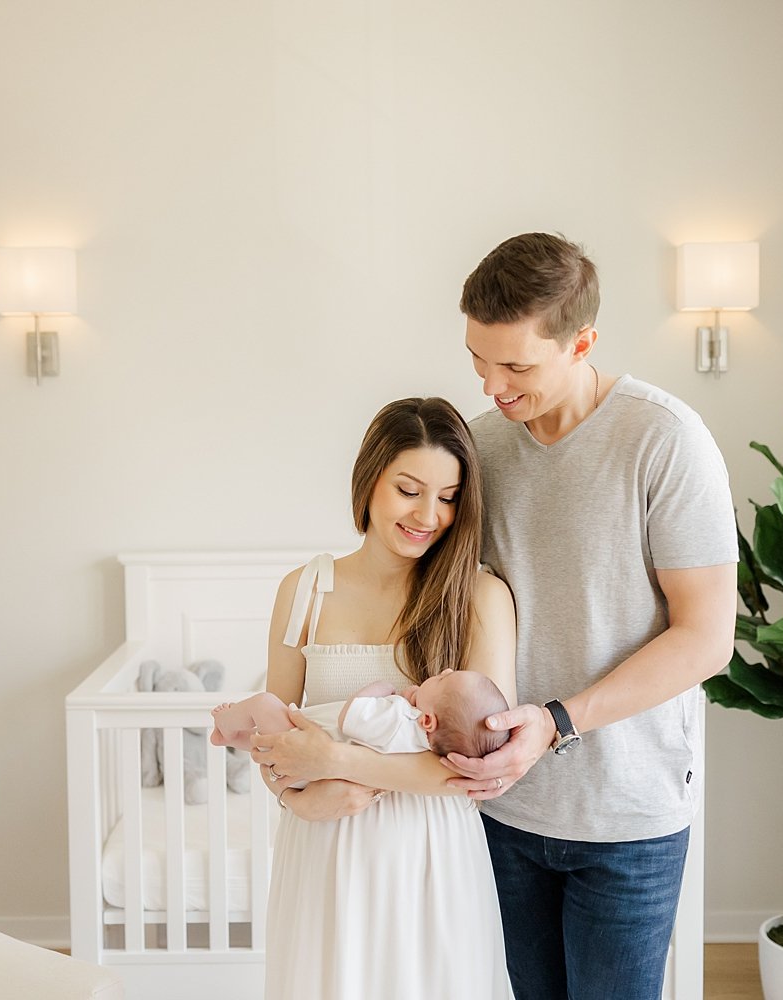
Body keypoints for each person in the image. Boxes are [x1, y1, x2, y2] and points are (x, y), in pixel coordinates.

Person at [443, 232, 739, 1000]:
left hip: (627, 822)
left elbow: (706, 638)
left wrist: (558, 721)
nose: (492, 387)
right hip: (505, 808)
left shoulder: (664, 442)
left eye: (516, 366)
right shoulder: (481, 450)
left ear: (583, 342)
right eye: (479, 361)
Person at [248, 396, 517, 1000]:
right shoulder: (305, 590)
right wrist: (294, 799)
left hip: (429, 854)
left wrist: (338, 761)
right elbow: (270, 735)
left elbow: (481, 769)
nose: (429, 514)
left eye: (448, 497)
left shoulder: (479, 597)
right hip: (323, 850)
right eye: (409, 489)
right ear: (369, 480)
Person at [210, 668, 510, 775]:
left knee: (264, 703)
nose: (443, 671)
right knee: (263, 742)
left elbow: (350, 717)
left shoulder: (400, 717)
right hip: (312, 762)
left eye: (445, 679)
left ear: (428, 720)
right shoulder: (419, 743)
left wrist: (383, 689)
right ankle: (234, 739)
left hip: (305, 745)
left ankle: (225, 722)